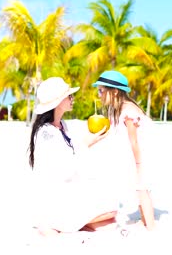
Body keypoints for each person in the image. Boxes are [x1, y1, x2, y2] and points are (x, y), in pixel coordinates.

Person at [28, 76, 118, 236]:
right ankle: (51, 224)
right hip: (57, 197)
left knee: (110, 223)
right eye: (69, 96)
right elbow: (62, 168)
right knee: (111, 213)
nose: (72, 98)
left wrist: (90, 141)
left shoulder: (62, 126)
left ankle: (65, 226)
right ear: (58, 102)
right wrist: (85, 144)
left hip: (68, 193)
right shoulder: (46, 133)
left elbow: (72, 151)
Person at [92, 70, 156, 231]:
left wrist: (139, 163)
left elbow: (134, 140)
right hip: (138, 154)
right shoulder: (120, 109)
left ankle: (151, 226)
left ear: (114, 92)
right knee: (138, 187)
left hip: (142, 155)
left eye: (101, 90)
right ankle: (144, 220)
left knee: (142, 189)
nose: (98, 94)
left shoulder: (128, 111)